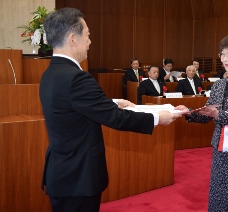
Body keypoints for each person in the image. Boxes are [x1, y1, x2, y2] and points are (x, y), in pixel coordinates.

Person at [40, 8, 180, 212]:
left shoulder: (50, 73)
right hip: (78, 178)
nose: (89, 41)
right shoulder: (76, 77)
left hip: (62, 173)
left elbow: (74, 105)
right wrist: (157, 117)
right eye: (87, 35)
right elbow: (116, 119)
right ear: (72, 39)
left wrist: (113, 102)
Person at [175, 32, 228, 211]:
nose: (225, 58)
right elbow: (208, 114)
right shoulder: (219, 85)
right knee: (218, 192)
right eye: (222, 54)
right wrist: (189, 113)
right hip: (220, 148)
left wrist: (217, 114)